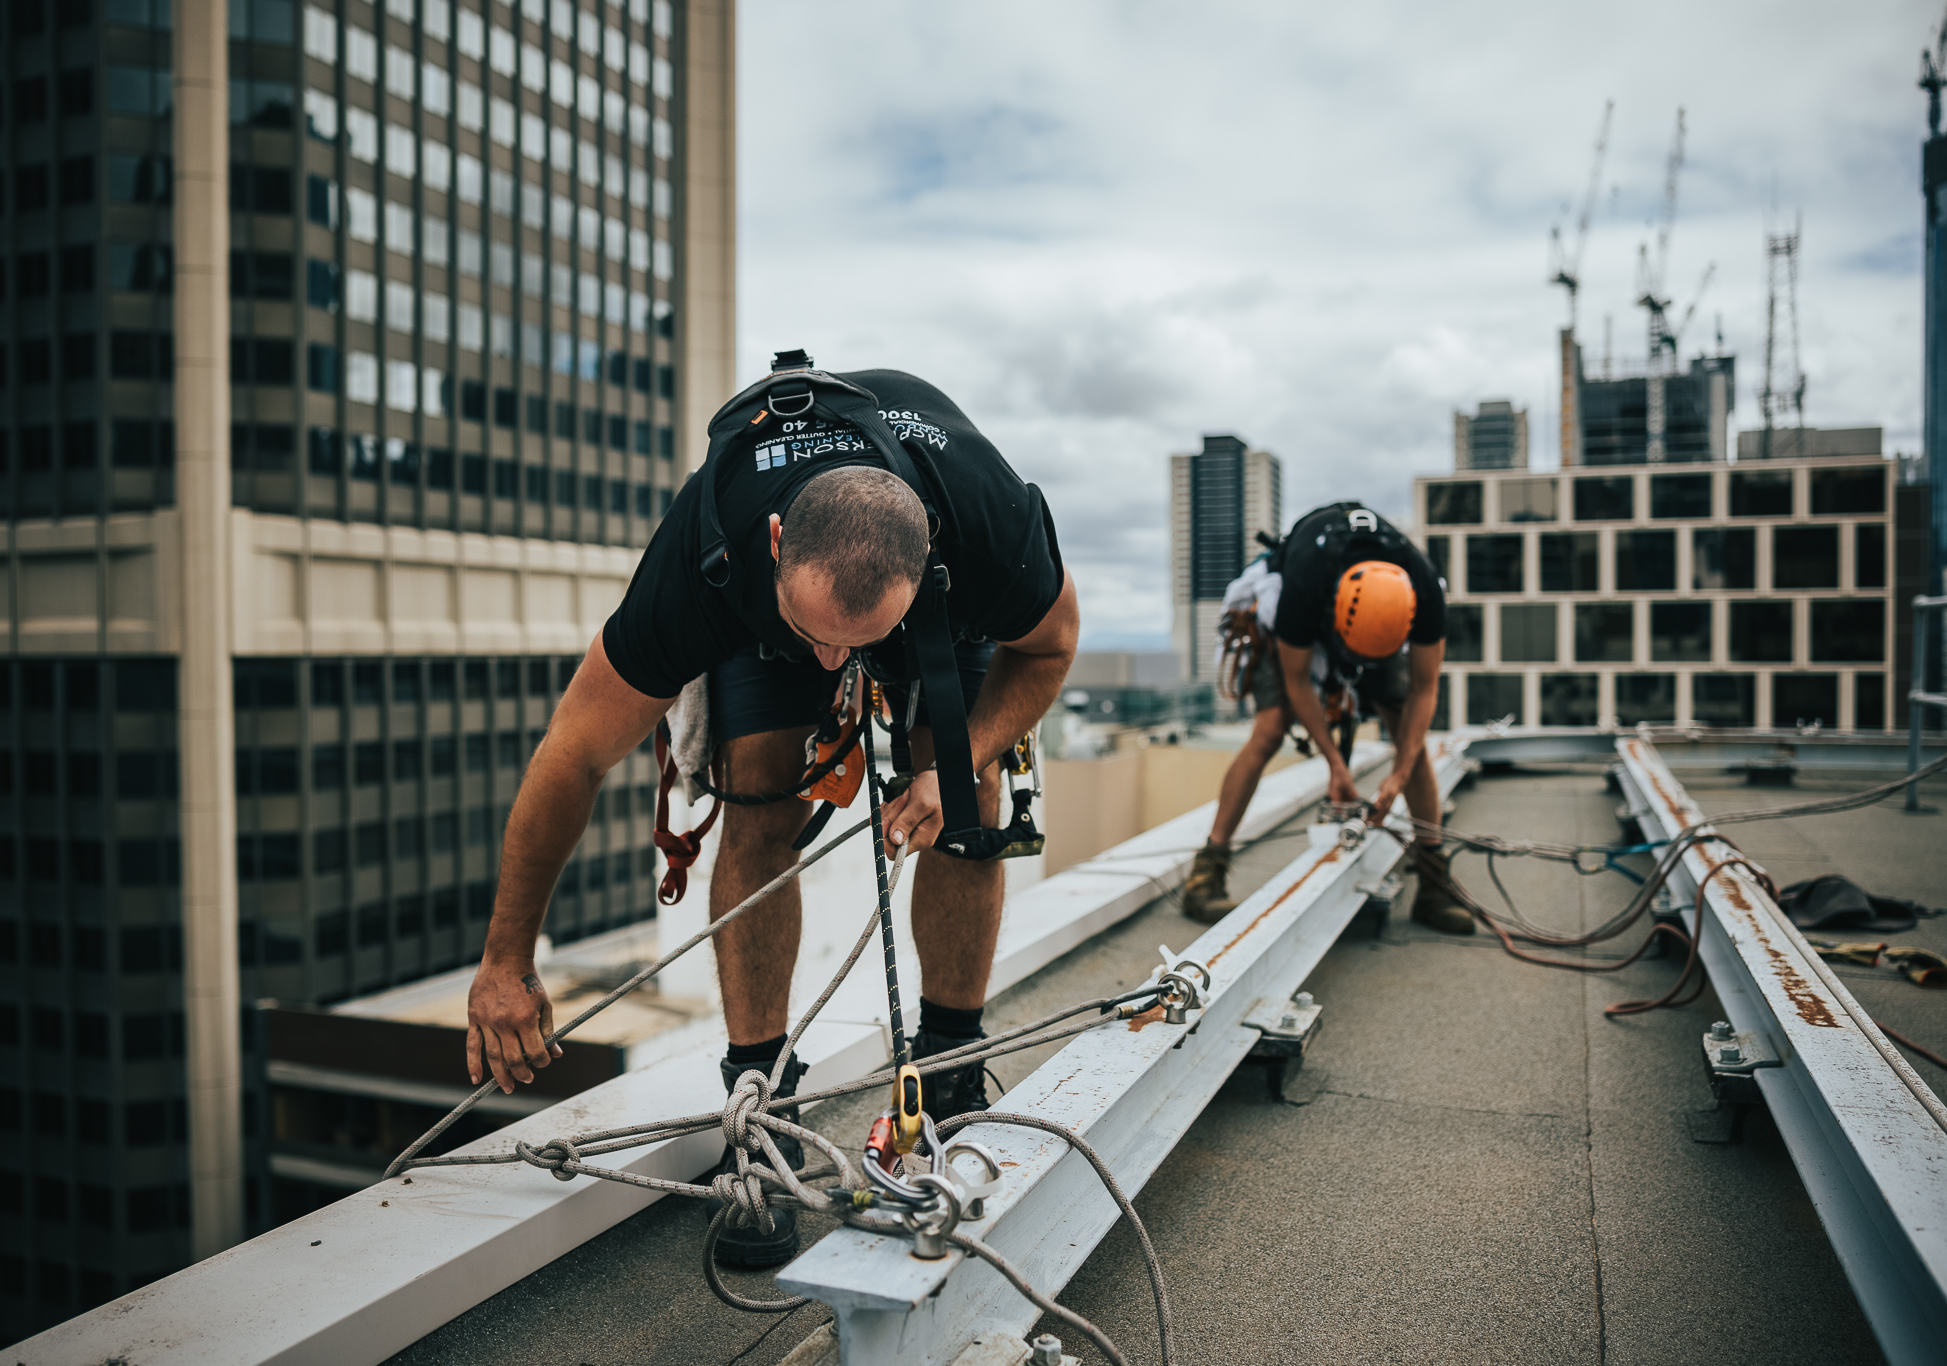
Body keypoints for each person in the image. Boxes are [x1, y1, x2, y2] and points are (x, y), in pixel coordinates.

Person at [461, 353, 1078, 1266]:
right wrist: (506, 960)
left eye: (855, 647)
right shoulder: (702, 554)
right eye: (816, 637)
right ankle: (760, 1087)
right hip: (759, 609)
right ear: (779, 540)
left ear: (934, 554)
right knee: (758, 792)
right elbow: (576, 751)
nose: (836, 666)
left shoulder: (988, 522)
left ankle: (950, 1065)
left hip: (930, 619)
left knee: (966, 796)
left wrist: (960, 761)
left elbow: (1054, 644)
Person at [1181, 502, 1466, 934]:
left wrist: (1398, 774)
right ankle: (1206, 873)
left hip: (1375, 627)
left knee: (1407, 731)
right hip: (1292, 612)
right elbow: (1298, 683)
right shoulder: (1302, 587)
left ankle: (1433, 882)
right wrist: (1334, 764)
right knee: (1271, 727)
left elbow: (1425, 690)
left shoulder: (1422, 588)